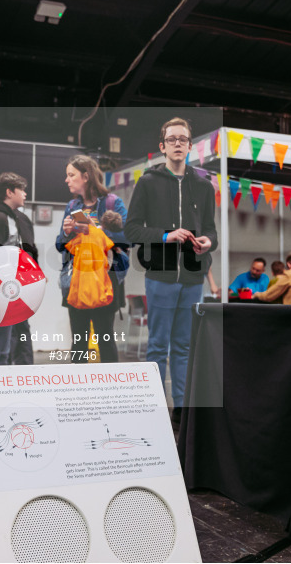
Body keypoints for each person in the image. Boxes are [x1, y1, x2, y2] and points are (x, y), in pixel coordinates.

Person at [124, 117, 218, 422]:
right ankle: (152, 410)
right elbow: (132, 230)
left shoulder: (204, 186)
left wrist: (207, 242)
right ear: (162, 147)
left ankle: (181, 410)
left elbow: (212, 233)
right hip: (160, 276)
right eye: (172, 139)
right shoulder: (148, 182)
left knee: (184, 347)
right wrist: (166, 235)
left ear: (191, 146)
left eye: (183, 139)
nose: (178, 143)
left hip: (193, 277)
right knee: (157, 346)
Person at [56, 154, 129, 364]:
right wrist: (67, 233)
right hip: (76, 280)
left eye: (71, 175)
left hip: (105, 280)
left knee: (105, 339)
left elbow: (127, 238)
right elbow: (60, 245)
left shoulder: (113, 203)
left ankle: (110, 392)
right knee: (78, 341)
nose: (66, 179)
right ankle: (78, 393)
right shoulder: (71, 206)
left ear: (86, 176)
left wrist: (95, 230)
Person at [0, 172, 39, 366]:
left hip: (12, 290)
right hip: (0, 292)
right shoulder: (0, 218)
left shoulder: (13, 218)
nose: (25, 194)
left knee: (6, 347)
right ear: (10, 192)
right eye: (22, 190)